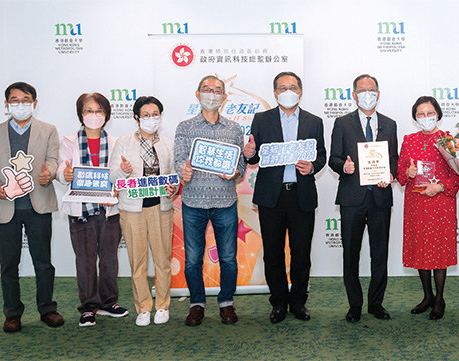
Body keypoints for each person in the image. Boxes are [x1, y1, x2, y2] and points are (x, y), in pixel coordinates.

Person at [0, 82, 65, 332]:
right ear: (6, 105)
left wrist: (50, 173)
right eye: (14, 100)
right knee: (8, 264)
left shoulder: (48, 130)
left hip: (38, 205)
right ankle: (12, 313)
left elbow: (52, 161)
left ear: (35, 103)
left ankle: (47, 308)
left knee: (43, 262)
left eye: (26, 100)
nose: (20, 105)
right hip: (6, 207)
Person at [244, 71, 326, 323]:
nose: (287, 91)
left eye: (292, 87)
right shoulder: (261, 119)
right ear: (275, 92)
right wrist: (249, 154)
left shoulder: (314, 121)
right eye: (282, 88)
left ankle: (299, 302)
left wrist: (312, 167)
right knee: (273, 252)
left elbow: (321, 154)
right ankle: (278, 302)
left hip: (301, 195)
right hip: (272, 196)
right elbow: (256, 156)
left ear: (300, 91)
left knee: (301, 252)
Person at [174, 75, 246, 326]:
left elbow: (241, 164)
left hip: (225, 201)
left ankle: (226, 302)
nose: (211, 94)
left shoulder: (234, 129)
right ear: (197, 94)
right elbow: (179, 159)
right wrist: (182, 171)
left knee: (228, 258)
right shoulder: (185, 127)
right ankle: (197, 303)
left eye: (217, 90)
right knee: (193, 259)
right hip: (193, 201)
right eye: (206, 89)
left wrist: (236, 172)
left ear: (225, 97)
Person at [327, 74, 398, 323]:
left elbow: (394, 159)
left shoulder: (389, 124)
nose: (367, 94)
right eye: (362, 90)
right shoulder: (342, 123)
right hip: (352, 198)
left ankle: (376, 303)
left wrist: (391, 174)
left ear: (378, 94)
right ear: (354, 94)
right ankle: (354, 304)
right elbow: (333, 158)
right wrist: (343, 167)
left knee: (380, 254)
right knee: (351, 254)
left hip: (379, 197)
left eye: (372, 90)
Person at [57, 92, 128, 327]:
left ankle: (109, 302)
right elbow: (61, 169)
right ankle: (88, 307)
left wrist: (121, 178)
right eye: (88, 111)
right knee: (85, 260)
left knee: (109, 258)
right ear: (81, 114)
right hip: (81, 210)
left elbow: (118, 175)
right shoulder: (69, 141)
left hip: (108, 210)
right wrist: (63, 174)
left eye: (98, 111)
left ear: (106, 114)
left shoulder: (117, 142)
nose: (94, 115)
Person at [110, 96, 177, 326]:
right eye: (146, 115)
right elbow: (112, 177)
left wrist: (173, 187)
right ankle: (143, 307)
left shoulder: (168, 144)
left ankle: (162, 306)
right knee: (137, 261)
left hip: (161, 208)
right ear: (137, 117)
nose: (151, 119)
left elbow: (175, 177)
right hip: (132, 210)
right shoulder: (124, 142)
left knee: (162, 260)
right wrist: (123, 170)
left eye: (155, 114)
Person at [396, 96, 459, 320]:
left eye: (430, 113)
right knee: (420, 248)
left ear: (438, 114)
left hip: (441, 201)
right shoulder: (409, 140)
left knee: (439, 250)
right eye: (420, 114)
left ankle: (440, 298)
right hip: (416, 203)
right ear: (415, 118)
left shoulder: (448, 140)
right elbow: (400, 172)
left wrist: (441, 186)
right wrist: (407, 173)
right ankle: (427, 295)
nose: (426, 118)